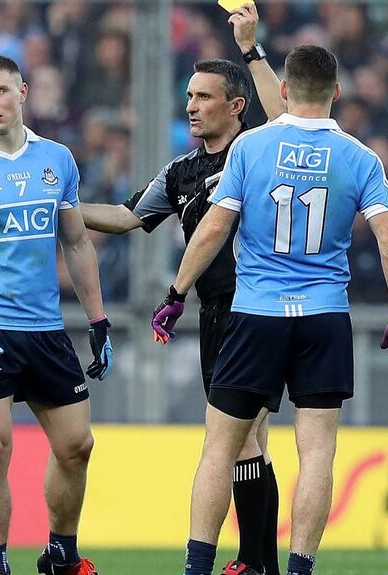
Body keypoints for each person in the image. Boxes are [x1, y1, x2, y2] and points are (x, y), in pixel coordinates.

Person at [153, 46, 388, 575]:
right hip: (323, 317)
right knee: (316, 452)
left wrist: (177, 292)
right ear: (337, 92)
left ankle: (197, 567)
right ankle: (297, 570)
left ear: (286, 90)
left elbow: (215, 226)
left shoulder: (252, 147)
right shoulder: (360, 158)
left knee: (220, 448)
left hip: (256, 315)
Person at [81, 6, 284, 574]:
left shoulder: (264, 148)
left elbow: (290, 114)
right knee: (250, 443)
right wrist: (60, 208)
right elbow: (124, 217)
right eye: (188, 96)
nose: (191, 106)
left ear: (236, 106)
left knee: (240, 439)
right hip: (217, 313)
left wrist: (250, 49)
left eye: (203, 97)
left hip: (258, 307)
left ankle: (250, 560)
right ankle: (257, 560)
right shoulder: (181, 173)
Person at [0, 55, 112, 575]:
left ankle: (61, 554)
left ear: (23, 91)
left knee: (77, 446)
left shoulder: (57, 160)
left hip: (46, 329)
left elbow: (76, 243)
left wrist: (97, 321)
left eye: (0, 91)